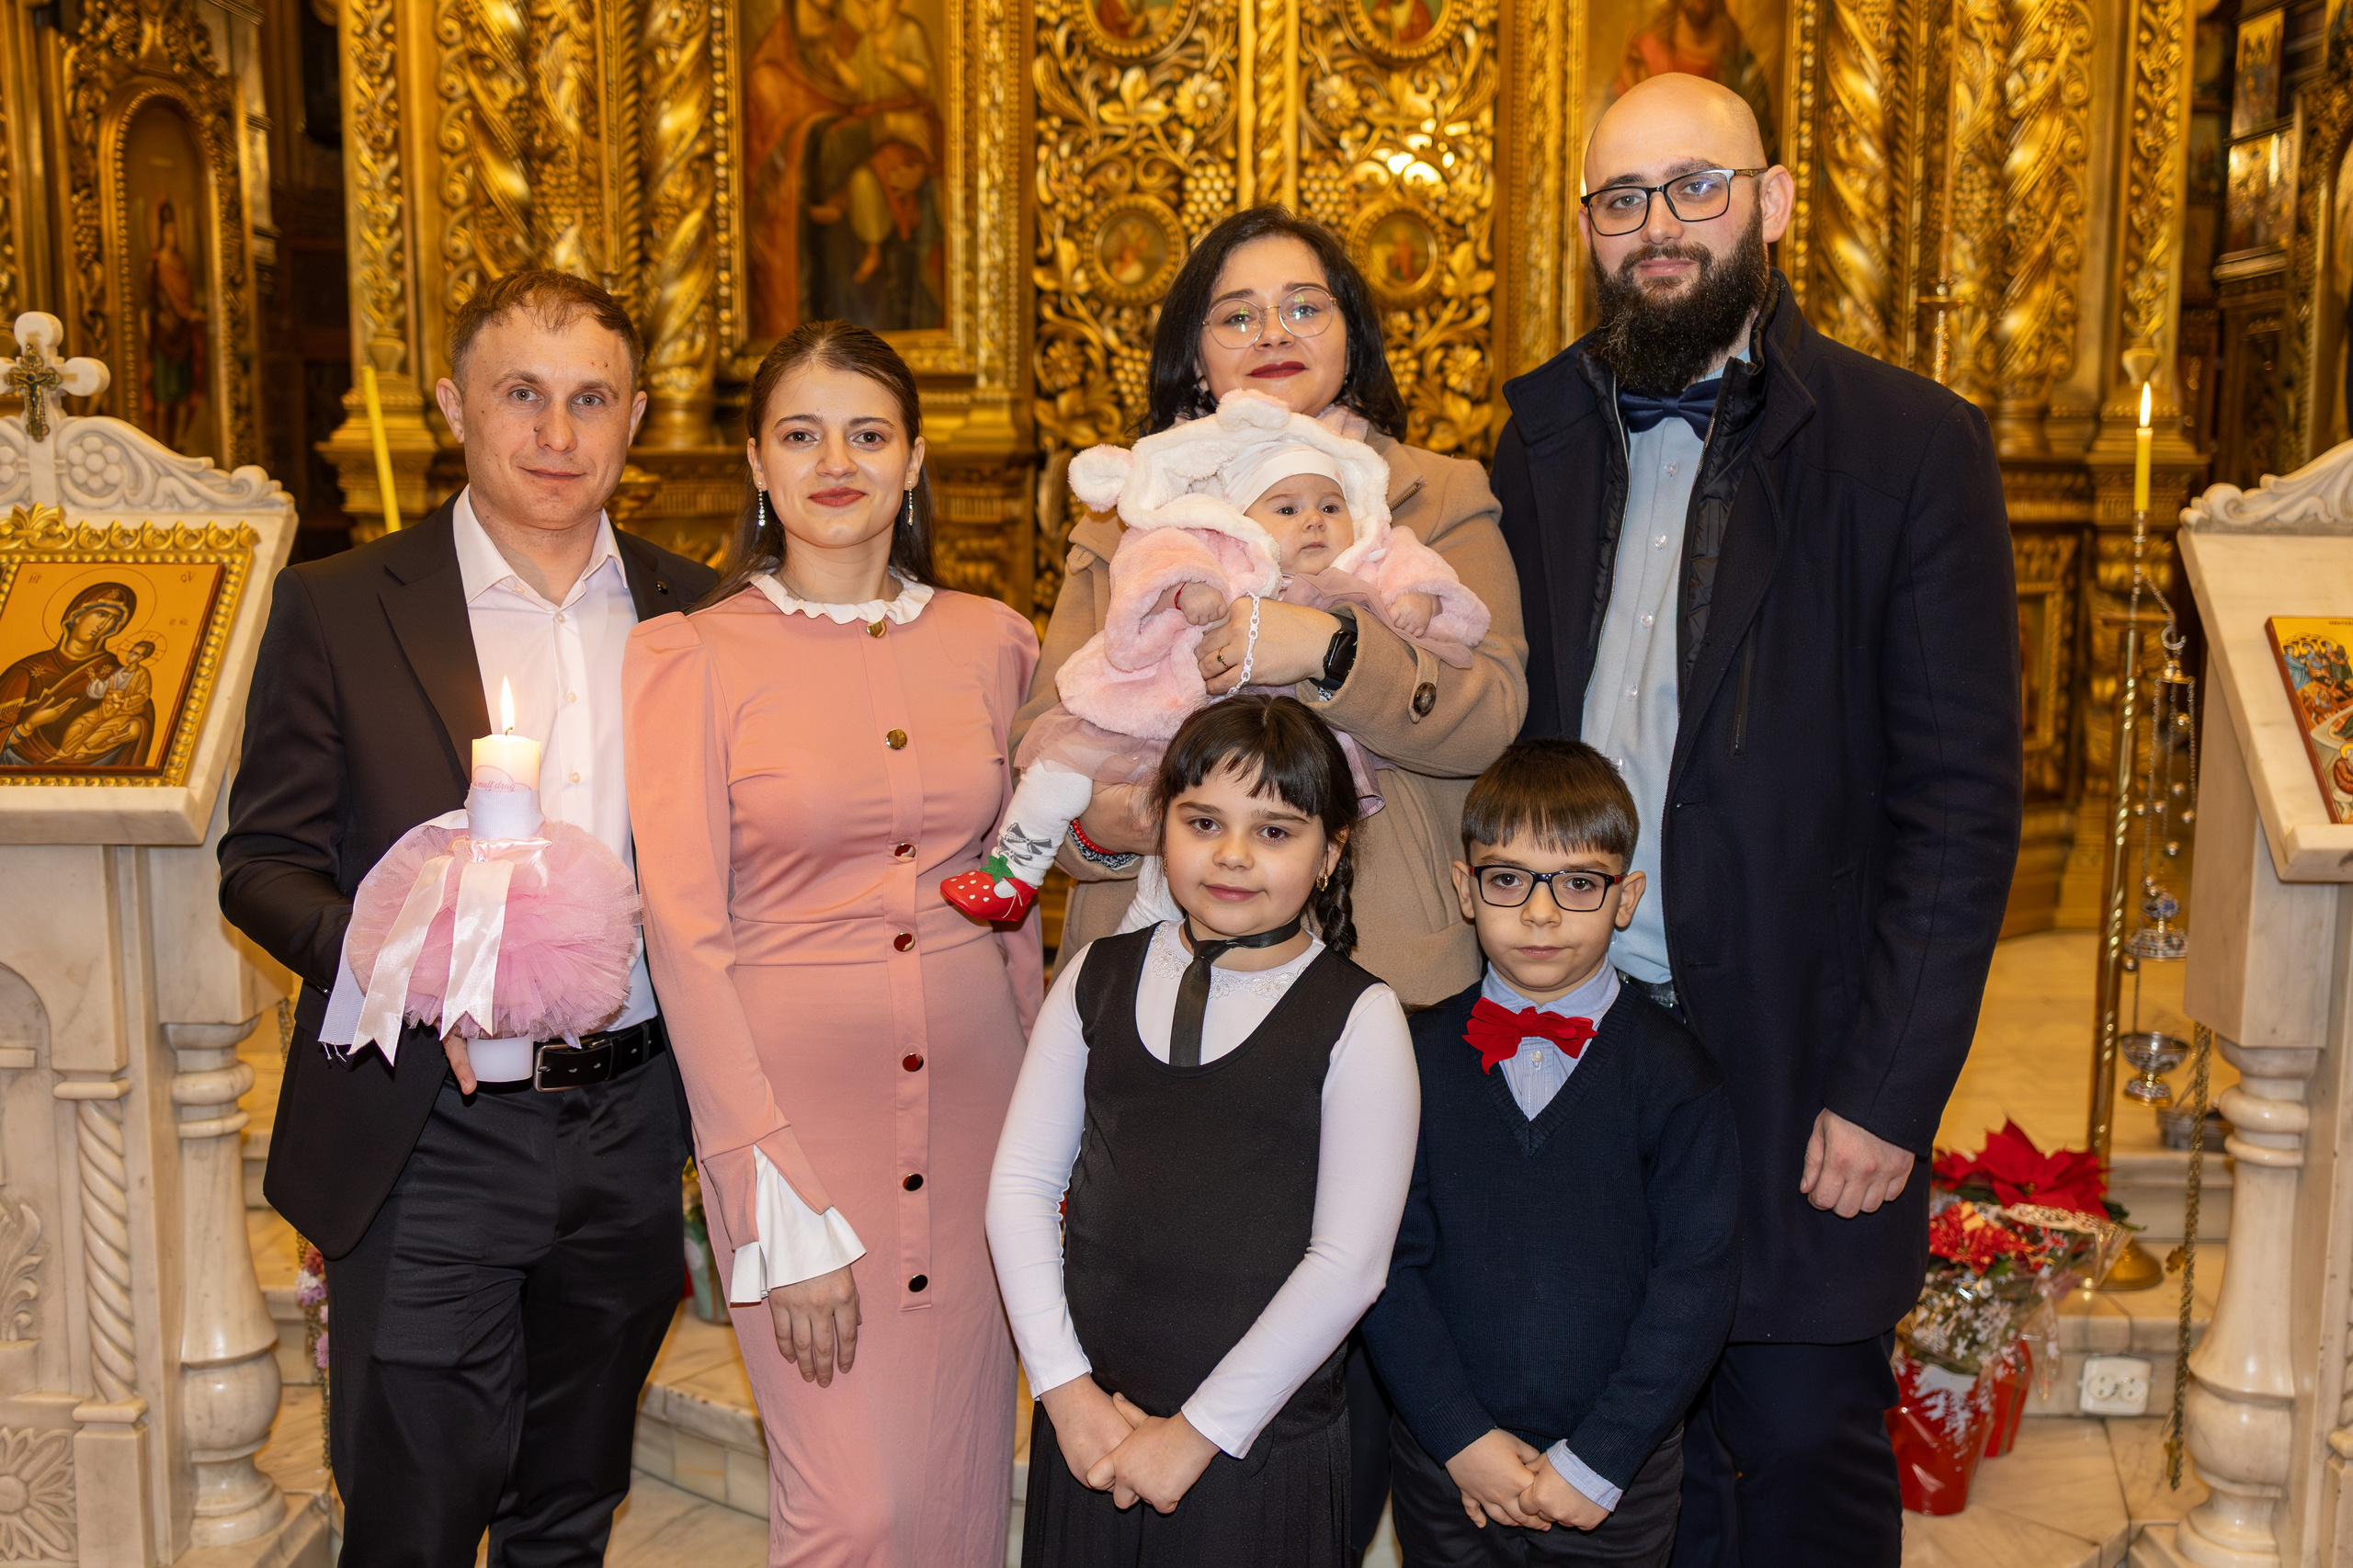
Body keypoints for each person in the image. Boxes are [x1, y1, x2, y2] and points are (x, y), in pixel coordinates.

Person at [1492, 74, 2021, 1566]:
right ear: (1587, 230)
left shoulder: (1911, 449)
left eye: (1696, 187)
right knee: (1615, 1462)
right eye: (1621, 199)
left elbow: (1960, 805)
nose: (1658, 229)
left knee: (1792, 1454)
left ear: (1775, 202)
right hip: (1581, 1040)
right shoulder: (1530, 445)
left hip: (1796, 1057)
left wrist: (1890, 1090)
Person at [1024, 208, 1527, 1555]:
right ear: (1194, 357)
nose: (1273, 334)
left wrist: (1313, 643)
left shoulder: (1437, 492)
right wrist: (1166, 814)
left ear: (1353, 332)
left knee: (1353, 1325)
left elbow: (1488, 716)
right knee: (1154, 1269)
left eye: (1304, 305)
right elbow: (1047, 744)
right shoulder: (1132, 505)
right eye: (1237, 313)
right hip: (1155, 969)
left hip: (1384, 969)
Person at [220, 268, 716, 1562]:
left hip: (628, 1125)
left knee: (569, 1505)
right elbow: (261, 862)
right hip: (425, 1128)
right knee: (416, 1516)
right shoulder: (339, 606)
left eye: (591, 399)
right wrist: (413, 966)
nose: (559, 435)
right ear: (453, 406)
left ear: (636, 416)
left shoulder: (701, 613)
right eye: (522, 396)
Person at [625, 320, 1041, 1566]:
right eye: (801, 434)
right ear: (758, 461)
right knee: (852, 1512)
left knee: (963, 1486)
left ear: (914, 460)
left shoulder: (995, 639)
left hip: (983, 1115)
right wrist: (764, 1195)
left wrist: (1054, 1137)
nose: (836, 462)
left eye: (868, 433)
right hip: (800, 1127)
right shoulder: (688, 656)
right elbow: (685, 940)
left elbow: (1011, 896)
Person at [987, 695, 1418, 1567]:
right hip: (1092, 1437)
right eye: (1204, 821)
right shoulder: (1095, 976)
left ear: (1332, 852)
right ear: (1161, 825)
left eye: (1274, 831)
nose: (1231, 856)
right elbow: (1021, 1186)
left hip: (1255, 1451)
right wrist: (1067, 1394)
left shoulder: (1361, 1018)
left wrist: (1195, 1434)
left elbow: (1348, 1265)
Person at [1360, 738, 1740, 1566]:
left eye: (1578, 884)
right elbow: (1382, 1265)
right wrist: (1459, 1437)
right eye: (1508, 880)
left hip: (1619, 1474)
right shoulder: (1409, 1058)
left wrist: (1601, 1459)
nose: (1540, 914)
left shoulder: (1677, 1074)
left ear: (1626, 896)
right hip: (1447, 1462)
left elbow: (1696, 1281)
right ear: (1465, 889)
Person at [947, 386, 1487, 925]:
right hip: (1168, 718)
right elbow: (1159, 561)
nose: (1315, 521)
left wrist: (1420, 598)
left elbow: (1419, 577)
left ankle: (1145, 932)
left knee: (1196, 848)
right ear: (1246, 519)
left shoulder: (1367, 557)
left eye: (1329, 507)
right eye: (1288, 508)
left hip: (1275, 750)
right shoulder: (1217, 541)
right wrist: (1188, 588)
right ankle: (1012, 872)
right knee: (1061, 767)